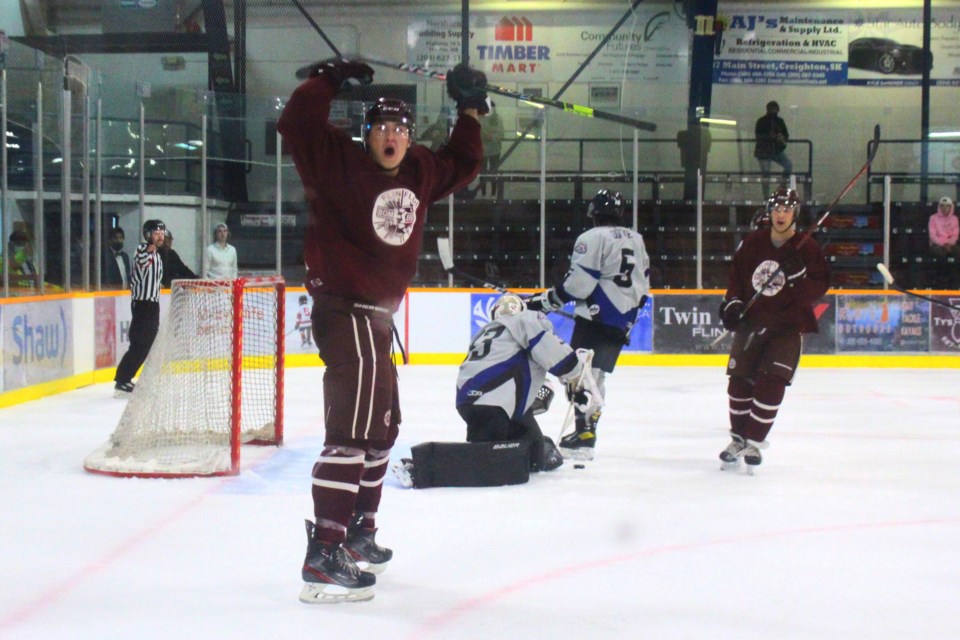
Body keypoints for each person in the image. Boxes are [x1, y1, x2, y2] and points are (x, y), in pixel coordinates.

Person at [277, 58, 484, 603]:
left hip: (380, 318)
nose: (391, 137)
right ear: (365, 133)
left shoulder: (418, 169)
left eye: (399, 129)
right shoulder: (336, 162)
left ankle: (361, 533)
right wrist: (327, 78)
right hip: (343, 308)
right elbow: (297, 123)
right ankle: (325, 551)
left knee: (383, 427)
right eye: (380, 128)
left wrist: (468, 111)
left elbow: (462, 161)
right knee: (351, 429)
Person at [393, 293, 598, 489]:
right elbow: (555, 354)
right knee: (489, 463)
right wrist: (577, 374)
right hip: (495, 402)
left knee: (536, 457)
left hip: (475, 401)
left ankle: (533, 448)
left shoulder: (485, 333)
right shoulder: (526, 319)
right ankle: (419, 468)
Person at [526, 189, 651, 461]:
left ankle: (584, 435)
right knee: (594, 376)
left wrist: (544, 302)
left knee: (579, 373)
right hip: (623, 317)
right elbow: (644, 283)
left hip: (598, 316)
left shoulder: (591, 238)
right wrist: (625, 315)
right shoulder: (637, 239)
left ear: (594, 212)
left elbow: (578, 285)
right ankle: (585, 431)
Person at [717, 188, 829, 471]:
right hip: (752, 324)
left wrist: (797, 276)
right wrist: (732, 303)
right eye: (777, 209)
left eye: (787, 209)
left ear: (795, 213)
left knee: (771, 383)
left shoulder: (808, 248)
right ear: (770, 211)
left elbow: (818, 286)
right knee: (739, 383)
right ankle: (738, 438)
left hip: (786, 327)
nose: (781, 214)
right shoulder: (753, 242)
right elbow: (737, 278)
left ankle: (754, 442)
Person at [114, 219, 165, 399]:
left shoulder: (157, 254)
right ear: (147, 234)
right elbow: (141, 263)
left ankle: (125, 378)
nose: (160, 235)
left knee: (146, 343)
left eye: (162, 232)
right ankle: (122, 380)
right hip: (143, 303)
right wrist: (148, 252)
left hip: (152, 304)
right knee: (140, 342)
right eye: (156, 232)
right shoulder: (143, 249)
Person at [754, 100, 793, 198]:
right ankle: (769, 195)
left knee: (768, 174)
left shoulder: (763, 121)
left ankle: (772, 193)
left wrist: (781, 137)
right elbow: (759, 136)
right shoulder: (770, 121)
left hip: (768, 151)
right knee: (767, 175)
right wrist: (775, 138)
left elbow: (786, 135)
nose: (773, 111)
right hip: (770, 150)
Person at [477, 101, 504, 199]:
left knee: (494, 172)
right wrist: (490, 135)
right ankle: (483, 193)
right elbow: (478, 132)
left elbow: (501, 134)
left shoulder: (497, 118)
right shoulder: (479, 118)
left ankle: (493, 194)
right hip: (483, 151)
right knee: (482, 172)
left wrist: (490, 136)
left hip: (495, 151)